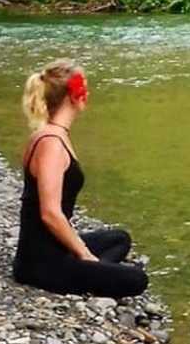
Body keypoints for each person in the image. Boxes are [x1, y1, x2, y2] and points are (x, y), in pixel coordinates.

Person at [13, 59, 148, 298]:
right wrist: (84, 254)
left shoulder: (51, 134)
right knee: (138, 279)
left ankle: (95, 270)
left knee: (119, 239)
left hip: (56, 249)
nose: (88, 93)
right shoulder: (51, 144)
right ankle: (93, 269)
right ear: (72, 96)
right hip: (40, 264)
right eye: (83, 87)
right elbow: (50, 213)